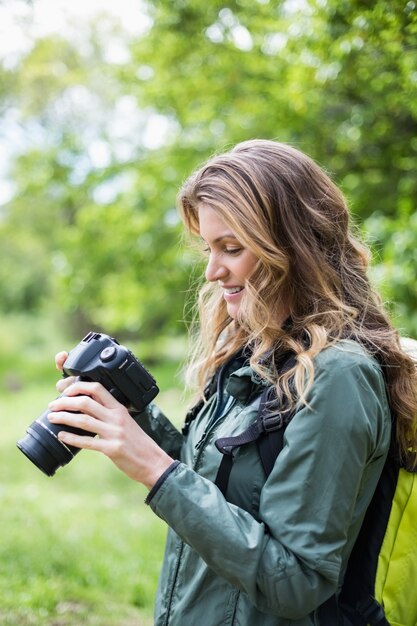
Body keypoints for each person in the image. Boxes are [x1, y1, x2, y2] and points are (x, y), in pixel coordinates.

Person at [48, 139, 417, 626]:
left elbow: (297, 581)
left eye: (231, 248)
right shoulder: (258, 350)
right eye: (209, 247)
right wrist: (134, 417)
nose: (212, 270)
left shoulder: (338, 376)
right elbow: (224, 494)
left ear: (292, 247)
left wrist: (154, 468)